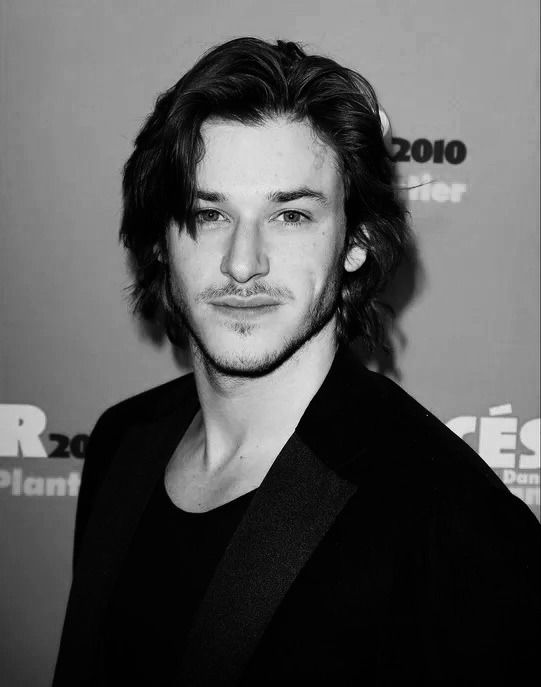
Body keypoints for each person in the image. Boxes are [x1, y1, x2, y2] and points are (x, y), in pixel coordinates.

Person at [53, 37, 539, 686]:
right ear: (162, 240)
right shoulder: (122, 442)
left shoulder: (448, 519)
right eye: (208, 213)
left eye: (289, 215)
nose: (242, 263)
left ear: (355, 240)